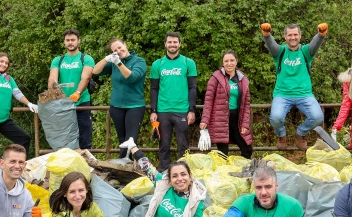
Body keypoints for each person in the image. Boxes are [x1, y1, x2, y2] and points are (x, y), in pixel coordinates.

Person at [262, 22, 327, 151]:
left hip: (304, 94)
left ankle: (300, 133)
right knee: (275, 118)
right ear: (285, 37)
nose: (293, 37)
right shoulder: (280, 52)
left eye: (295, 35)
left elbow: (315, 43)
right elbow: (271, 45)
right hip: (282, 94)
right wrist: (267, 34)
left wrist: (321, 34)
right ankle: (281, 135)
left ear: (300, 36)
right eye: (290, 35)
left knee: (318, 117)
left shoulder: (305, 52)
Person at [92, 38, 147, 163]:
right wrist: (106, 59)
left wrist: (119, 63)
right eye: (115, 50)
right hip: (116, 106)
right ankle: (124, 165)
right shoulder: (113, 62)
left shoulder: (139, 61)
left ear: (125, 45)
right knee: (122, 139)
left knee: (130, 140)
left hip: (135, 105)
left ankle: (125, 164)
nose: (118, 51)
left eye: (120, 47)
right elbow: (95, 71)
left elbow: (132, 78)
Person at [149, 32, 198, 171]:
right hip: (163, 110)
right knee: (164, 145)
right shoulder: (157, 64)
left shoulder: (188, 63)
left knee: (183, 145)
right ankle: (164, 173)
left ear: (180, 44)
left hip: (182, 110)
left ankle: (183, 172)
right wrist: (153, 111)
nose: (172, 44)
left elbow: (192, 87)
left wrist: (191, 110)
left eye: (175, 42)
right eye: (169, 42)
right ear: (165, 44)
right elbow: (154, 88)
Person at [199, 50, 253, 159]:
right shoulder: (215, 78)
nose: (229, 63)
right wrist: (205, 119)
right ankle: (223, 175)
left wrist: (245, 124)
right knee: (223, 154)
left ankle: (245, 173)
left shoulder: (243, 80)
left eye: (232, 60)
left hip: (237, 120)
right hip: (220, 120)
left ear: (236, 61)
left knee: (247, 149)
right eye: (226, 61)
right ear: (223, 63)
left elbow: (246, 104)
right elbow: (208, 100)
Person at [48, 28, 96, 150]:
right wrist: (54, 92)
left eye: (73, 40)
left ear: (78, 41)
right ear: (64, 42)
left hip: (81, 102)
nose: (70, 42)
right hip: (63, 104)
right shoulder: (58, 60)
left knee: (85, 138)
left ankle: (87, 166)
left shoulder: (86, 58)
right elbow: (52, 78)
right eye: (67, 40)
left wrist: (77, 93)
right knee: (64, 139)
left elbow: (85, 77)